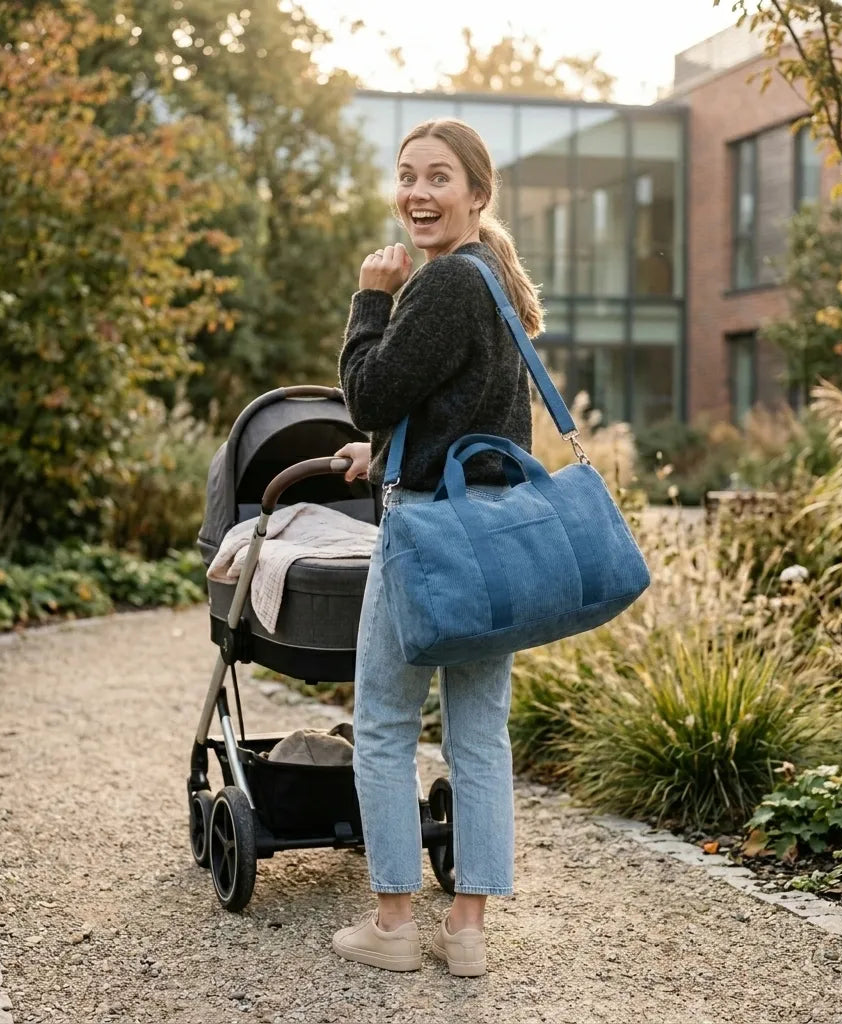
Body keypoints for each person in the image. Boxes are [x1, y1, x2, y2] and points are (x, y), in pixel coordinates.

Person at [331, 118, 545, 977]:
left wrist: (370, 300)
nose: (417, 192)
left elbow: (368, 391)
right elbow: (467, 411)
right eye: (407, 175)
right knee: (479, 736)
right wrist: (383, 451)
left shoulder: (443, 282)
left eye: (439, 177)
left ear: (478, 194)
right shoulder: (489, 276)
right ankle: (466, 932)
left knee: (385, 726)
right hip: (493, 532)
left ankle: (392, 927)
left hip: (427, 532)